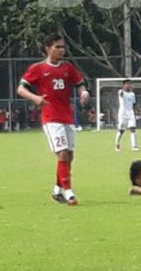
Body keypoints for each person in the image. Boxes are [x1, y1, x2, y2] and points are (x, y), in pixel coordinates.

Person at [17, 33, 90, 206]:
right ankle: (68, 191)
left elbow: (80, 84)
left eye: (63, 47)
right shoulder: (38, 68)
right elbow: (21, 89)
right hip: (51, 117)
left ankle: (57, 190)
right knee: (62, 153)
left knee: (69, 156)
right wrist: (35, 98)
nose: (61, 50)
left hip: (67, 117)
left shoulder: (67, 68)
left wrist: (84, 93)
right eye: (57, 47)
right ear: (47, 48)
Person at [115, 80, 139, 152]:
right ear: (124, 85)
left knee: (133, 129)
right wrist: (123, 89)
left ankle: (134, 146)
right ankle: (117, 144)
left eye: (129, 84)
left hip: (131, 113)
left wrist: (135, 112)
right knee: (121, 130)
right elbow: (121, 94)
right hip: (123, 113)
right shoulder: (121, 92)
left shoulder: (132, 94)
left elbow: (133, 104)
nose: (129, 85)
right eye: (127, 84)